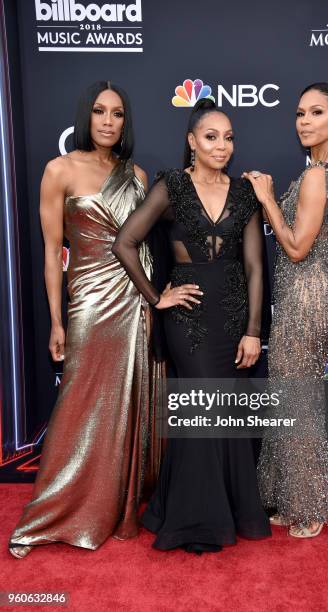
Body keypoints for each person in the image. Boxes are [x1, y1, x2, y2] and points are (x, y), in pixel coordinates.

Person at [9, 81, 164, 558]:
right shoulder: (59, 170)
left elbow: (139, 244)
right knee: (79, 403)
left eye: (117, 113)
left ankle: (118, 503)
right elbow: (52, 252)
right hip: (91, 300)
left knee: (129, 402)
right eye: (100, 111)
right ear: (87, 116)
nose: (108, 121)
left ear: (125, 121)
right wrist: (56, 321)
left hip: (136, 298)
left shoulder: (136, 174)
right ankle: (57, 509)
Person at [113, 98, 271, 553]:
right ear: (191, 141)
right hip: (189, 319)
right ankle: (197, 519)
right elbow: (125, 242)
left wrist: (254, 330)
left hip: (235, 316)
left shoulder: (245, 193)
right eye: (211, 137)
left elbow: (255, 268)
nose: (222, 146)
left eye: (228, 137)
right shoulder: (171, 187)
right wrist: (156, 296)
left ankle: (230, 506)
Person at [243, 82, 328, 538]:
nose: (304, 121)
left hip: (306, 298)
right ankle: (294, 496)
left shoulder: (316, 175)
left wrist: (267, 196)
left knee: (298, 405)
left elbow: (294, 247)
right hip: (306, 295)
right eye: (299, 113)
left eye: (316, 112)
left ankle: (313, 504)